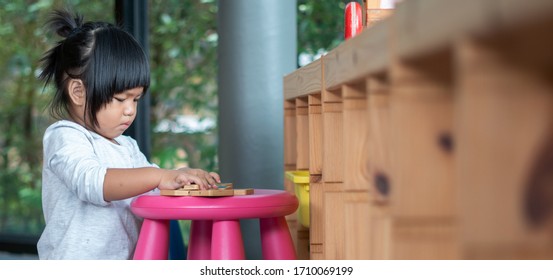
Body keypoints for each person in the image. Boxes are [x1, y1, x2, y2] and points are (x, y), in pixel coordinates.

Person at [36, 9, 221, 259]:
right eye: (120, 98)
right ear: (78, 92)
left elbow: (151, 189)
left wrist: (180, 179)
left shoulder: (127, 147)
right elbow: (93, 182)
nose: (130, 110)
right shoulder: (65, 136)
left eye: (136, 99)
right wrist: (159, 176)